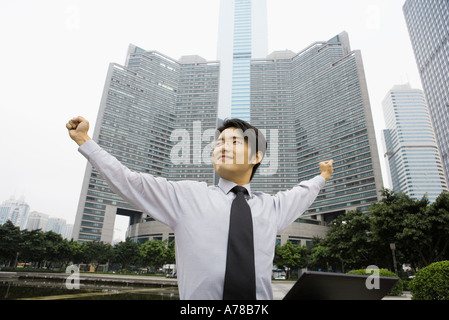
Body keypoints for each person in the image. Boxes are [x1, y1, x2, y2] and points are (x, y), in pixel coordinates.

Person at [66, 116, 334, 300]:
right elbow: (130, 181)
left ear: (256, 156)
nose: (222, 147)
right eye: (218, 143)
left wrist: (322, 177)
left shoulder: (272, 207)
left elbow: (303, 192)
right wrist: (85, 141)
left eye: (233, 142)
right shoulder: (186, 196)